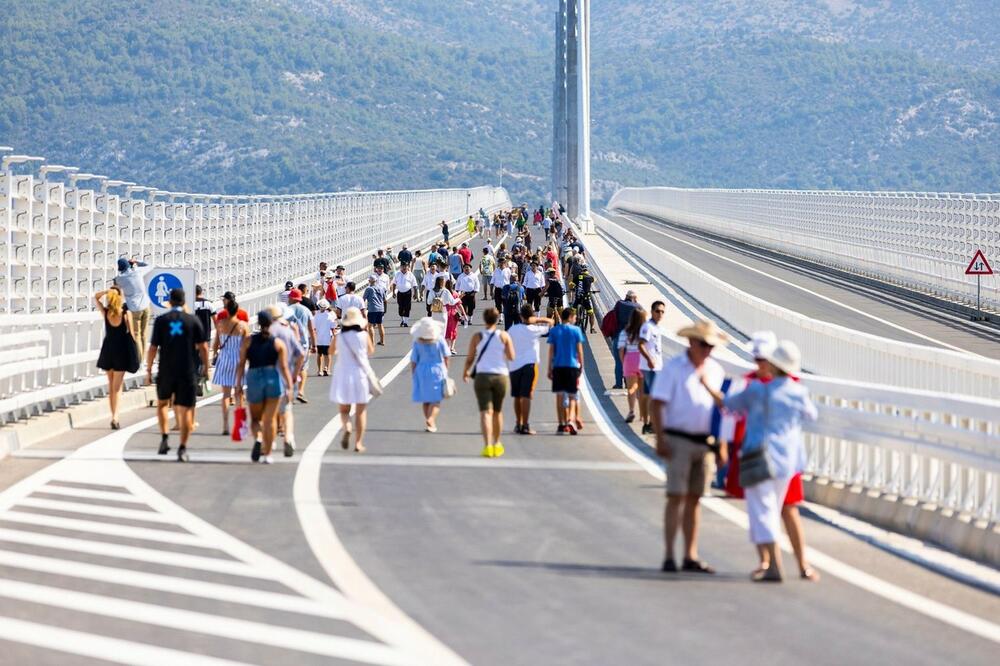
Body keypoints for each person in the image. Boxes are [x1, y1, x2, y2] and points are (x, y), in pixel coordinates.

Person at [703, 340, 817, 582]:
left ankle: (773, 565)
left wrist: (707, 386)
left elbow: (728, 405)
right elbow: (811, 415)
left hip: (758, 457)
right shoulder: (799, 392)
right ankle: (779, 564)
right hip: (788, 461)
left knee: (762, 511)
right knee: (776, 508)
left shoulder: (756, 390)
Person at [649, 319, 729, 574]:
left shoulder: (716, 371)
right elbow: (657, 403)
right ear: (692, 342)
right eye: (705, 345)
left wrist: (722, 446)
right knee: (676, 496)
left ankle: (690, 555)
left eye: (711, 346)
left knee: (695, 499)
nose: (708, 350)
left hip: (704, 443)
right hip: (678, 439)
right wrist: (660, 438)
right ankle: (670, 555)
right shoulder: (674, 368)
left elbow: (724, 410)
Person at [145, 289, 208, 462]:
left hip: (166, 368)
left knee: (163, 404)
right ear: (183, 302)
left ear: (170, 302)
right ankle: (182, 446)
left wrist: (149, 370)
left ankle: (164, 438)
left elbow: (152, 348)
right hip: (187, 369)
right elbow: (203, 347)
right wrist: (206, 367)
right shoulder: (192, 320)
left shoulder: (161, 321)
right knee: (187, 408)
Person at [234, 310, 294, 464]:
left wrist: (238, 384)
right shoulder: (278, 343)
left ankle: (259, 438)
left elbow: (241, 364)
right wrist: (290, 387)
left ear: (258, 324)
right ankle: (268, 454)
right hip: (273, 378)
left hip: (254, 377)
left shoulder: (248, 341)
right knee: (270, 419)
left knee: (255, 419)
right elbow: (284, 367)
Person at [463, 308, 515, 458]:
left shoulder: (477, 336)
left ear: (485, 319)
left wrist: (465, 371)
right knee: (497, 412)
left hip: (482, 376)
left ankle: (487, 446)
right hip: (500, 375)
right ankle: (497, 442)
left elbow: (470, 358)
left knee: (485, 412)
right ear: (497, 318)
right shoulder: (504, 336)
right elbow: (511, 356)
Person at [330, 307, 374, 453]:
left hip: (343, 373)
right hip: (360, 373)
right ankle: (358, 443)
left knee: (344, 410)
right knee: (361, 411)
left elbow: (331, 351)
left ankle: (347, 427)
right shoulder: (364, 335)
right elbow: (370, 351)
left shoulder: (339, 336)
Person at [95, 286, 137, 430]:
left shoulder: (106, 312)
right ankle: (115, 417)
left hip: (108, 351)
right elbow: (132, 334)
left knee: (111, 386)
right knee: (117, 387)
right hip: (121, 352)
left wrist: (106, 291)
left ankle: (113, 415)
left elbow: (96, 297)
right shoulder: (125, 313)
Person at [508, 304, 554, 434]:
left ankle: (518, 423)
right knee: (526, 395)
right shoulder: (535, 330)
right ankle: (526, 425)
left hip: (514, 365)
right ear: (532, 315)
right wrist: (537, 320)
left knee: (517, 396)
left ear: (520, 315)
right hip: (530, 365)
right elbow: (551, 322)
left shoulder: (513, 329)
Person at [269, 304, 306, 458]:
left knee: (270, 411)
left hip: (268, 376)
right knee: (287, 409)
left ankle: (270, 441)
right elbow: (301, 354)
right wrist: (295, 373)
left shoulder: (267, 332)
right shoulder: (288, 331)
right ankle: (288, 437)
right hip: (286, 375)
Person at [212, 297, 249, 436]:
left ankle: (225, 425)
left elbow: (215, 344)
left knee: (226, 395)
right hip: (239, 360)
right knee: (239, 393)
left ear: (227, 310)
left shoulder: (220, 324)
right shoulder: (243, 326)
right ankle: (240, 425)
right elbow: (247, 345)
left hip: (224, 360)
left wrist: (215, 354)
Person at [547, 307, 585, 435]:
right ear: (570, 317)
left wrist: (549, 368)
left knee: (559, 396)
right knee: (572, 396)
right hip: (572, 366)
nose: (575, 319)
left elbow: (551, 350)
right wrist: (582, 366)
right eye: (574, 317)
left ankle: (561, 424)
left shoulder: (555, 331)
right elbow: (579, 350)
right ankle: (570, 420)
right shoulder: (576, 330)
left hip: (558, 366)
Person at [409, 317, 451, 432]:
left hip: (421, 370)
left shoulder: (417, 342)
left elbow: (414, 360)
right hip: (437, 369)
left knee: (425, 399)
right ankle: (431, 419)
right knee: (436, 399)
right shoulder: (439, 340)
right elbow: (446, 356)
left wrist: (414, 374)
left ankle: (428, 422)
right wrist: (446, 370)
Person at [114, 257, 151, 362]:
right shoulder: (138, 272)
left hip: (134, 309)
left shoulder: (119, 279)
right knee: (144, 334)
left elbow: (116, 288)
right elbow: (150, 265)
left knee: (136, 335)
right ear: (128, 265)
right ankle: (143, 359)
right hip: (146, 306)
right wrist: (136, 262)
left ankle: (139, 361)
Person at [638, 300, 666, 434]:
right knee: (653, 396)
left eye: (662, 312)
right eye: (657, 311)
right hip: (650, 367)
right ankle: (651, 423)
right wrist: (649, 359)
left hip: (656, 366)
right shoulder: (648, 327)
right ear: (652, 311)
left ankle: (649, 423)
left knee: (650, 395)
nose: (660, 314)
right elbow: (641, 344)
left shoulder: (657, 327)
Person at [285, 289, 316, 402]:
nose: (288, 299)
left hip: (289, 343)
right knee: (303, 367)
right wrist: (314, 345)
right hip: (303, 343)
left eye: (289, 297)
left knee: (290, 367)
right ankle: (301, 391)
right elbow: (311, 329)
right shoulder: (306, 310)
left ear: (293, 298)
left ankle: (290, 391)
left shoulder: (287, 310)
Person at [618, 308, 647, 424]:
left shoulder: (625, 331)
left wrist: (623, 361)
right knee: (642, 389)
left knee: (631, 388)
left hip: (629, 359)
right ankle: (643, 414)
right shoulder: (645, 331)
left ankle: (631, 411)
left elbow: (621, 348)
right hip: (642, 359)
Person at [607, 290, 640, 389]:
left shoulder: (619, 304)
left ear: (626, 296)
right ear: (634, 298)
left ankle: (618, 384)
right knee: (629, 362)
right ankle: (628, 383)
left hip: (618, 336)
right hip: (631, 339)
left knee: (618, 362)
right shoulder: (638, 307)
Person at [313, 299, 338, 376]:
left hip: (318, 338)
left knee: (319, 354)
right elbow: (334, 327)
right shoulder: (330, 315)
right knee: (327, 354)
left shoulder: (315, 315)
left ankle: (319, 370)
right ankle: (327, 369)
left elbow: (313, 328)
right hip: (327, 337)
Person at [362, 274, 388, 346]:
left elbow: (363, 299)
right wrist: (385, 309)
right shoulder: (381, 288)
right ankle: (382, 341)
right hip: (381, 308)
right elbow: (385, 300)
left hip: (372, 309)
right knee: (380, 324)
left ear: (369, 281)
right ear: (376, 281)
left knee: (370, 325)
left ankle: (372, 342)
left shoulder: (369, 289)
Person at [443, 278, 467, 354]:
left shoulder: (443, 293)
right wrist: (464, 314)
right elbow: (460, 305)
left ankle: (447, 347)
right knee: (453, 331)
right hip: (453, 314)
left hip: (444, 313)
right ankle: (452, 348)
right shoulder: (455, 294)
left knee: (446, 331)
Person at [391, 261, 418, 327]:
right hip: (400, 292)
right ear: (400, 267)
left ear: (408, 267)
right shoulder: (397, 274)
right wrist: (393, 292)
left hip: (408, 292)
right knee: (400, 307)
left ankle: (406, 322)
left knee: (407, 307)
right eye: (403, 266)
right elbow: (394, 283)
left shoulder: (410, 274)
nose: (404, 267)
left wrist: (415, 293)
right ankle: (402, 320)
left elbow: (414, 284)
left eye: (406, 266)